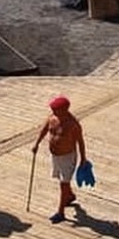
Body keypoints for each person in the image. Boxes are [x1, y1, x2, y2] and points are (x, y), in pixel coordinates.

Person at [31, 94, 87, 223]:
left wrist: (83, 159)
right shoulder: (52, 118)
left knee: (63, 183)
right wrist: (36, 143)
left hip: (67, 157)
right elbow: (44, 130)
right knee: (61, 180)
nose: (53, 112)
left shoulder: (73, 124)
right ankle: (70, 196)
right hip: (55, 156)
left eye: (56, 110)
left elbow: (80, 142)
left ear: (64, 110)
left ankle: (60, 212)